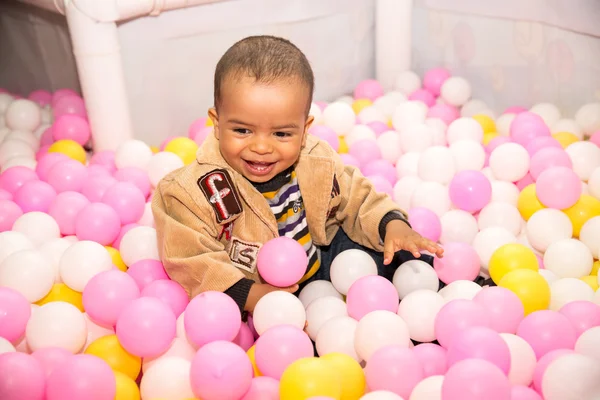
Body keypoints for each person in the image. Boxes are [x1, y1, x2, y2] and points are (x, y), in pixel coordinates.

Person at [151, 35, 444, 316]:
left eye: (281, 133)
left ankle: (440, 296)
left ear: (304, 130)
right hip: (254, 287)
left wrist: (392, 225)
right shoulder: (193, 191)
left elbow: (357, 197)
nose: (261, 147)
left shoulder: (315, 159)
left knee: (402, 259)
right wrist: (252, 296)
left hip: (323, 257)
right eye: (242, 130)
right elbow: (190, 256)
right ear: (216, 123)